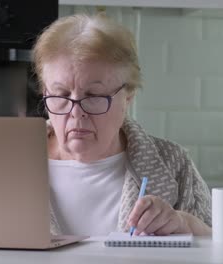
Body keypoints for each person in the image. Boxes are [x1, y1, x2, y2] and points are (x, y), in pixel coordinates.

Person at [32, 13, 211, 236]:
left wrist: (186, 224)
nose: (76, 112)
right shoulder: (10, 161)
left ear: (128, 96)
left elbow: (222, 249)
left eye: (94, 95)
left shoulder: (173, 164)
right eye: (60, 94)